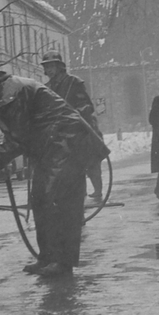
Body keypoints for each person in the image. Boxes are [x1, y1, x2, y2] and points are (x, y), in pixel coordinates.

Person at [0, 49, 110, 277]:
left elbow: (19, 137)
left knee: (58, 204)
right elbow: (17, 135)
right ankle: (48, 258)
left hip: (66, 145)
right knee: (41, 199)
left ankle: (62, 263)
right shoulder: (4, 93)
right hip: (52, 147)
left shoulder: (12, 93)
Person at [41, 50, 105, 202]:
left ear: (59, 66)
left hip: (81, 131)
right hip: (61, 133)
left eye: (52, 66)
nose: (49, 70)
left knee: (90, 164)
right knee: (67, 168)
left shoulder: (74, 82)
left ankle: (97, 191)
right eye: (46, 67)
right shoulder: (46, 88)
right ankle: (75, 196)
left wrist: (74, 113)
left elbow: (87, 106)